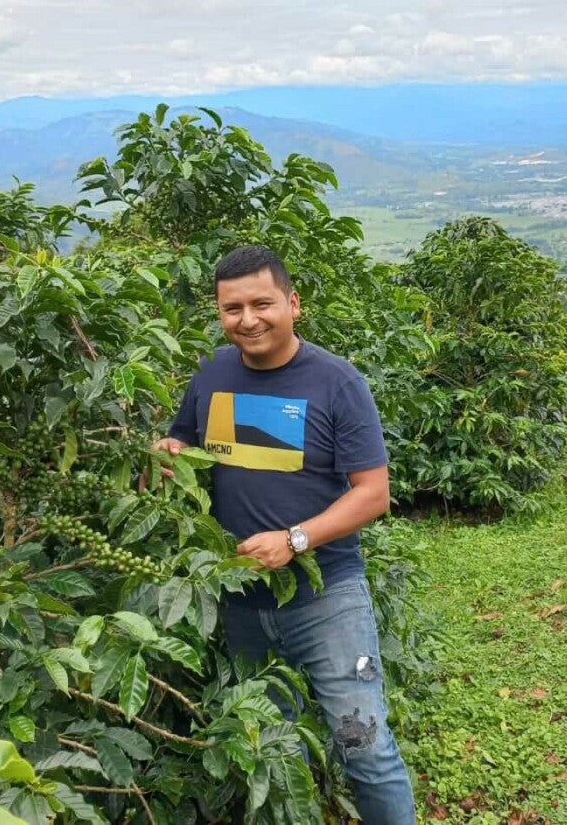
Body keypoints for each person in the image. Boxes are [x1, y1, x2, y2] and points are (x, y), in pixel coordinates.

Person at [152, 244, 417, 824]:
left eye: (262, 303)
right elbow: (185, 446)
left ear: (292, 303)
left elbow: (373, 494)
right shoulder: (212, 373)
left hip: (327, 595)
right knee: (273, 744)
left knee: (364, 746)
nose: (248, 319)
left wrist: (294, 539)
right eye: (232, 308)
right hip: (241, 596)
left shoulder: (337, 382)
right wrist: (170, 454)